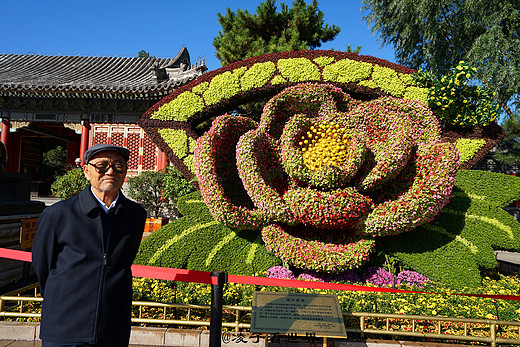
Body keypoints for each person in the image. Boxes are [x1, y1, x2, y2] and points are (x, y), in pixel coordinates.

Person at [32, 144, 147, 347]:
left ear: (125, 172)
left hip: (112, 326)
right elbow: (42, 265)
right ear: (86, 171)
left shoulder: (135, 214)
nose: (111, 171)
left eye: (118, 166)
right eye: (102, 166)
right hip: (64, 324)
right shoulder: (58, 214)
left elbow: (125, 260)